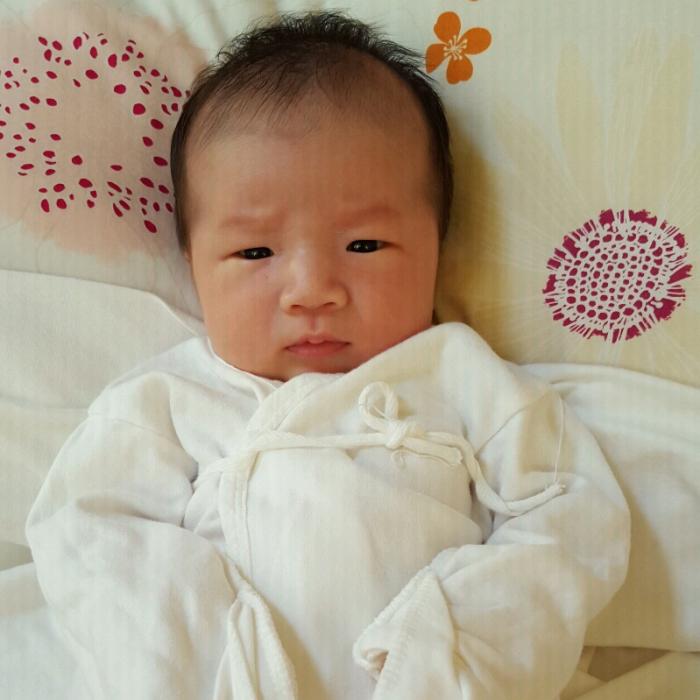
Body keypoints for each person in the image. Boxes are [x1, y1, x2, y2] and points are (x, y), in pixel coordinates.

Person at [26, 10, 630, 700]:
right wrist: (210, 657)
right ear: (192, 263)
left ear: (438, 245)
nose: (312, 289)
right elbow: (91, 534)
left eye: (364, 245)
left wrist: (451, 643)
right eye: (255, 251)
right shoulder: (169, 401)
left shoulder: (463, 379)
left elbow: (572, 520)